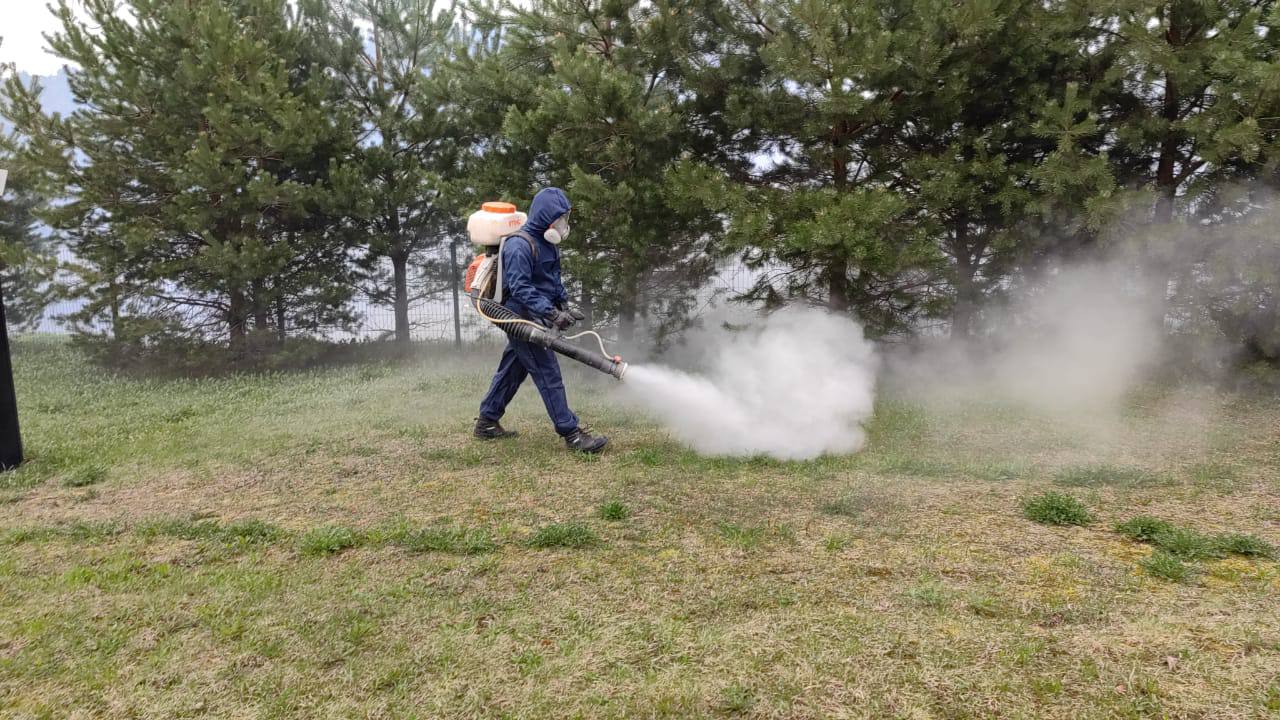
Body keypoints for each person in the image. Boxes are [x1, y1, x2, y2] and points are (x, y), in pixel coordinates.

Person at [474, 187, 609, 453]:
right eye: (560, 218)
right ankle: (572, 434)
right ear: (547, 217)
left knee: (515, 366)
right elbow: (521, 288)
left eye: (565, 218)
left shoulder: (547, 243)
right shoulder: (519, 245)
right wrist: (551, 313)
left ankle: (487, 421)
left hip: (537, 312)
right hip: (519, 315)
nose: (564, 224)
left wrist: (564, 305)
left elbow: (551, 280)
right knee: (548, 372)